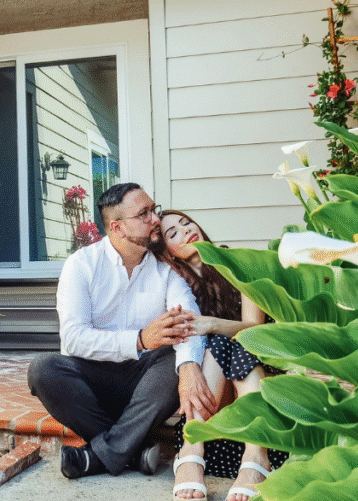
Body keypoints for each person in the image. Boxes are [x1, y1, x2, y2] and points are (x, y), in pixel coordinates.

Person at [27, 183, 217, 479]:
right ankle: (132, 450)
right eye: (144, 214)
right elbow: (74, 339)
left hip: (147, 385)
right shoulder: (81, 265)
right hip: (93, 382)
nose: (155, 219)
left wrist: (190, 367)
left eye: (154, 209)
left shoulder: (165, 271)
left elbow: (188, 322)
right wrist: (140, 339)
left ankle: (99, 456)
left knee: (176, 358)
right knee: (44, 369)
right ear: (117, 227)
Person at [153, 209, 289, 501]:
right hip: (214, 416)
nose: (186, 230)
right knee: (215, 344)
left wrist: (212, 324)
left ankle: (255, 456)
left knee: (235, 342)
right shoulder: (176, 286)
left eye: (187, 222)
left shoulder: (236, 264)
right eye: (173, 233)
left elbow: (255, 329)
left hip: (259, 380)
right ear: (168, 252)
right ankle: (192, 452)